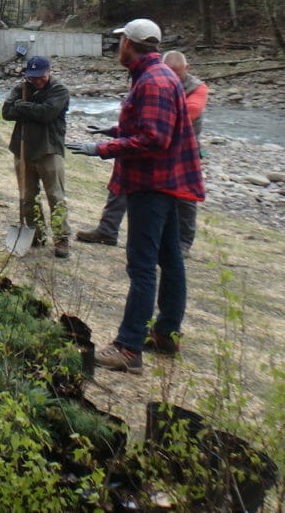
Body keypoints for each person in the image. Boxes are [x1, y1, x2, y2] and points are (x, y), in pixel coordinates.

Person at [67, 19, 205, 373]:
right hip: (164, 182)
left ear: (129, 43)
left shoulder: (154, 81)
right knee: (170, 259)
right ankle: (165, 334)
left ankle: (128, 348)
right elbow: (151, 125)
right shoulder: (156, 77)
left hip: (150, 185)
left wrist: (103, 147)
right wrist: (114, 129)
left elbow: (154, 138)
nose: (117, 47)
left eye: (120, 41)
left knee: (142, 266)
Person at [76, 50, 208, 253]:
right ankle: (107, 230)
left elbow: (187, 114)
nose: (173, 76)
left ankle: (183, 243)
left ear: (187, 69)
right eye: (169, 71)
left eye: (177, 73)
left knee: (185, 197)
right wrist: (117, 130)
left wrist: (153, 116)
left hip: (182, 150)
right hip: (151, 143)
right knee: (120, 184)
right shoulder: (154, 81)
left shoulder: (198, 88)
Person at [1, 55, 71, 258]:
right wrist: (28, 108)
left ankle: (61, 238)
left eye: (40, 76)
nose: (36, 81)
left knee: (55, 196)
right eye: (33, 77)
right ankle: (35, 233)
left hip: (49, 150)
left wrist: (23, 107)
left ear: (48, 72)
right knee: (27, 196)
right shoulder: (21, 87)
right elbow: (6, 111)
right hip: (22, 149)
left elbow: (47, 113)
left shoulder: (59, 90)